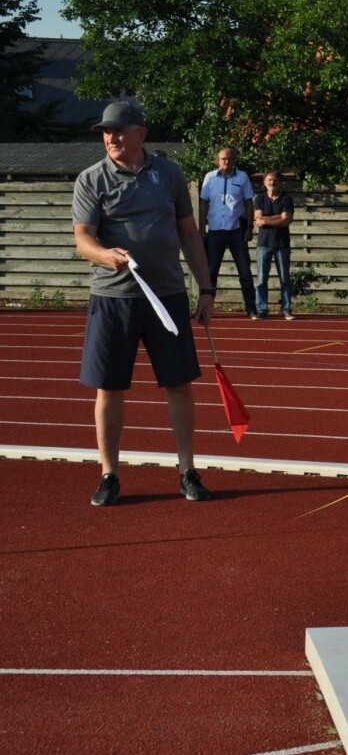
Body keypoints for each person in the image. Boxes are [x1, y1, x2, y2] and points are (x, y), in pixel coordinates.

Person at [71, 100, 217, 506]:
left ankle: (187, 470)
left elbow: (189, 234)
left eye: (119, 130)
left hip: (167, 296)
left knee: (179, 385)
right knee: (109, 389)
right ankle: (109, 474)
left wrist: (205, 289)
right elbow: (83, 238)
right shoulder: (91, 179)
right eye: (105, 132)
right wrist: (106, 256)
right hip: (112, 297)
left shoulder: (168, 174)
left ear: (141, 134)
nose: (111, 138)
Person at [198, 146, 258, 319]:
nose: (227, 161)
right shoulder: (209, 178)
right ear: (218, 160)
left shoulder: (242, 177)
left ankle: (251, 309)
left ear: (234, 160)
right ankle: (205, 309)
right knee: (210, 273)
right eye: (223, 159)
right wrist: (202, 229)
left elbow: (248, 203)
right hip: (215, 232)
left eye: (230, 159)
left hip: (236, 232)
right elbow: (203, 204)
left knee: (245, 272)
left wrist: (249, 228)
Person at [252, 171, 296, 320]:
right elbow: (258, 220)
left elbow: (286, 220)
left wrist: (266, 219)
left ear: (280, 182)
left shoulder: (286, 199)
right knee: (261, 280)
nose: (272, 182)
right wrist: (278, 217)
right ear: (264, 182)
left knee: (284, 279)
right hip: (263, 244)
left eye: (275, 180)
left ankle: (286, 309)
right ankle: (262, 309)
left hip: (282, 244)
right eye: (269, 180)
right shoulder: (259, 198)